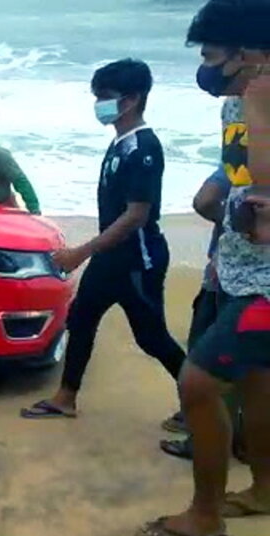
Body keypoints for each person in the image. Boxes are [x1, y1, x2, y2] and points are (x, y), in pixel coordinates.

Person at [140, 2, 270, 534]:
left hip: (266, 288)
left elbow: (264, 194)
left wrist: (260, 103)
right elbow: (243, 185)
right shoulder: (237, 104)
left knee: (198, 383)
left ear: (250, 55)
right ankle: (264, 489)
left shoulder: (257, 100)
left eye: (214, 57)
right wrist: (221, 214)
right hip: (240, 270)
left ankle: (205, 516)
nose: (207, 69)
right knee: (259, 385)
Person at [21, 59, 186, 425]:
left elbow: (136, 216)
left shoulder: (142, 147)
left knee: (151, 337)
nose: (99, 104)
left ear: (131, 99)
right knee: (80, 319)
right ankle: (66, 398)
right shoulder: (120, 143)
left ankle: (201, 402)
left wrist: (80, 252)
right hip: (111, 258)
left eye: (105, 97)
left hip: (136, 261)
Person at [159, 159, 244, 461]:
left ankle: (204, 438)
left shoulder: (242, 159)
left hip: (226, 276)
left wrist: (234, 224)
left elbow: (204, 200)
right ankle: (242, 439)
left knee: (204, 358)